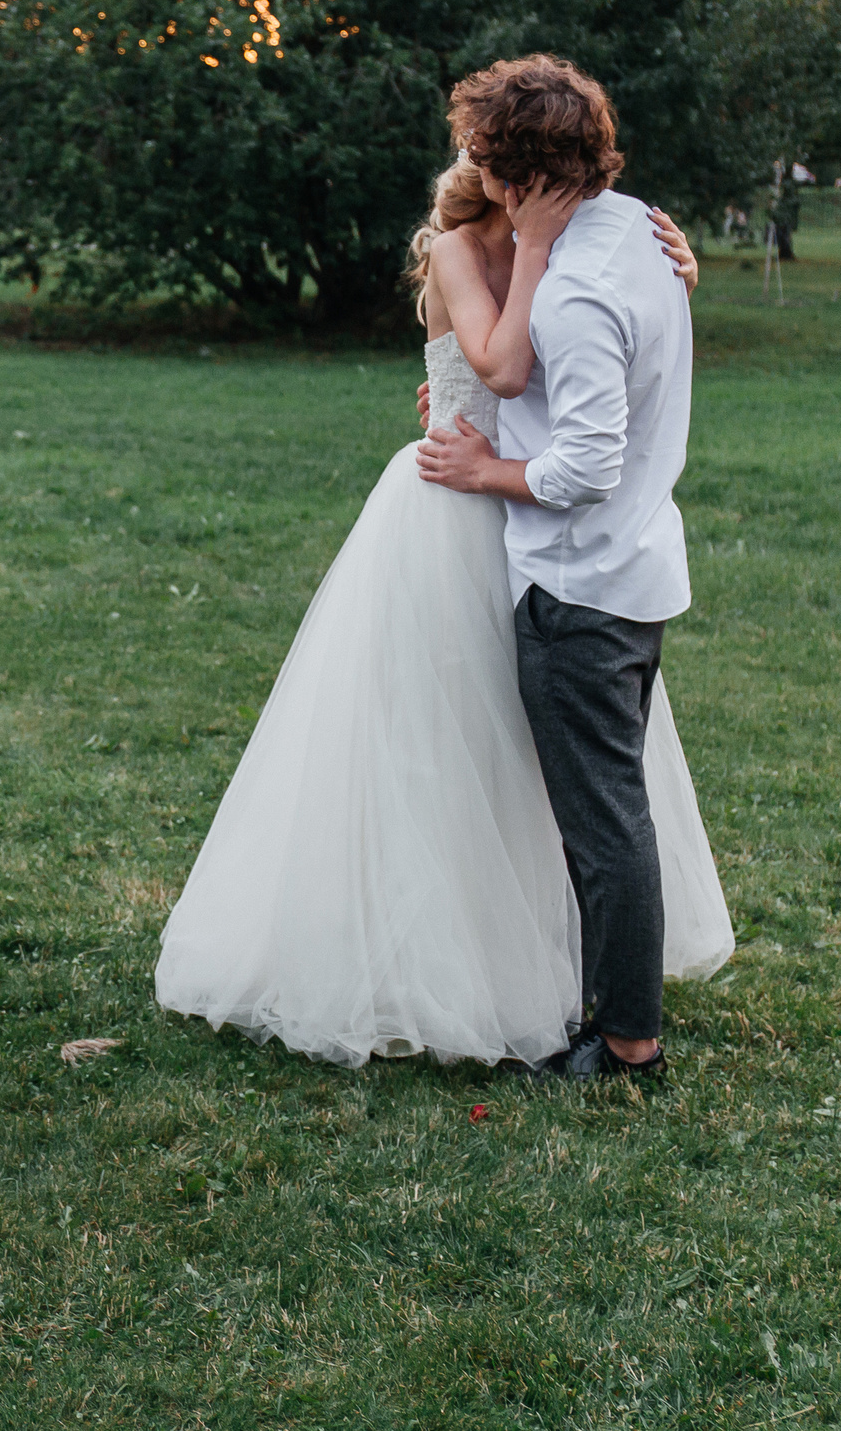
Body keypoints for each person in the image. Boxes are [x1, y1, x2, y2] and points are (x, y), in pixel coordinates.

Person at [154, 55, 730, 1071]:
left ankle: (611, 1025)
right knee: (442, 747)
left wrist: (586, 274)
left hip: (548, 541)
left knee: (556, 783)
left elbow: (547, 393)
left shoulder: (615, 248)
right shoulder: (493, 246)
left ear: (512, 169)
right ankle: (487, 968)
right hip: (474, 526)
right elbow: (502, 371)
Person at [415, 55, 718, 1079]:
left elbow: (584, 465)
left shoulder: (578, 289)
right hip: (631, 568)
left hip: (580, 582)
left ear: (507, 176)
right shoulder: (637, 228)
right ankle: (604, 999)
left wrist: (485, 465)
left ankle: (626, 1041)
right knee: (606, 806)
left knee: (600, 820)